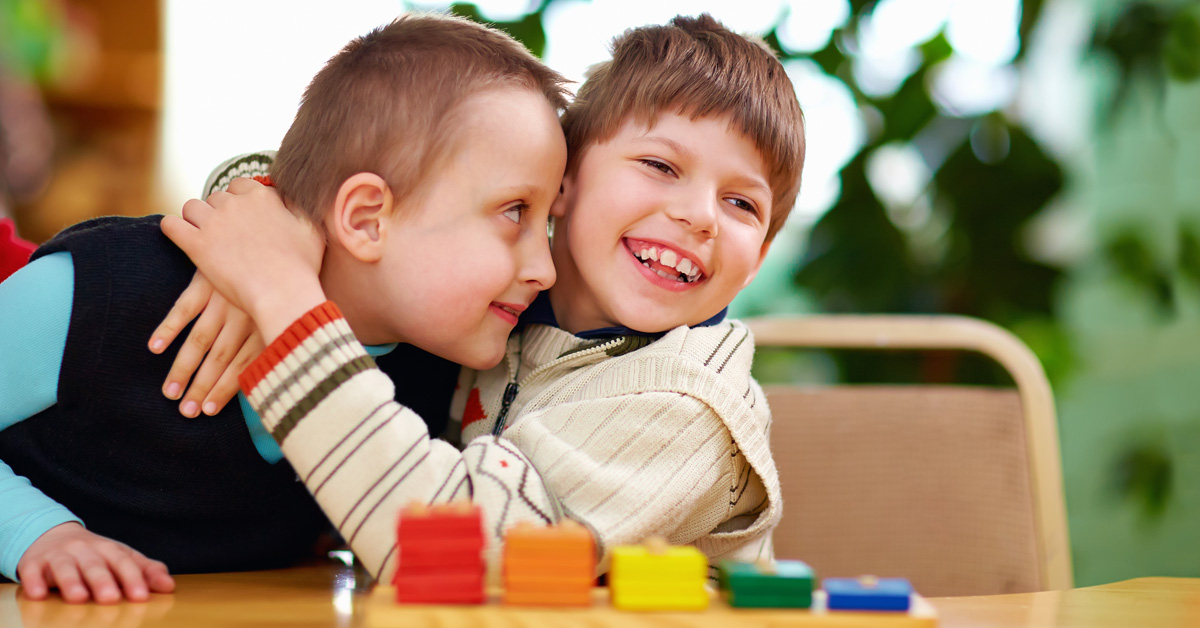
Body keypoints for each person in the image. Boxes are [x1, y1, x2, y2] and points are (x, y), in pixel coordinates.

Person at [166, 14, 805, 583]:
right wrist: (259, 225)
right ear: (562, 178)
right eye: (661, 166)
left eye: (742, 203)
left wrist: (279, 290)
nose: (700, 217)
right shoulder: (501, 300)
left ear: (759, 261)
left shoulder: (691, 410)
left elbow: (443, 550)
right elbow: (372, 182)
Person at [0, 13, 568, 603]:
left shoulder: (435, 376)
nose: (544, 268)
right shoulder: (98, 291)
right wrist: (36, 534)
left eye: (548, 223)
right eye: (513, 212)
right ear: (366, 219)